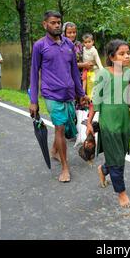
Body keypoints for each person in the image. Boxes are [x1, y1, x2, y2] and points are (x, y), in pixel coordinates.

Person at [30, 11, 89, 183]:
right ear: (45, 25)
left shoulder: (69, 45)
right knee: (60, 128)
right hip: (51, 94)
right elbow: (34, 73)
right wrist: (33, 101)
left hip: (69, 94)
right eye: (53, 22)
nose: (57, 25)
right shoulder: (40, 46)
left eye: (58, 22)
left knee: (68, 129)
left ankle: (55, 151)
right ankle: (65, 168)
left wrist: (81, 94)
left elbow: (74, 72)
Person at [86, 39, 130, 208]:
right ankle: (121, 193)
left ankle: (104, 169)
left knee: (119, 155)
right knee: (117, 160)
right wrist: (89, 122)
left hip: (125, 123)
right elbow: (95, 100)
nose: (127, 56)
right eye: (122, 53)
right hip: (109, 124)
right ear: (112, 57)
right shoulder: (103, 75)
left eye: (128, 53)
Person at [82, 33, 104, 99]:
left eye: (89, 42)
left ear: (93, 42)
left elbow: (97, 60)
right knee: (84, 78)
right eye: (85, 42)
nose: (88, 44)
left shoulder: (94, 50)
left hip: (93, 67)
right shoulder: (83, 49)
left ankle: (96, 94)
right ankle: (83, 92)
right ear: (83, 43)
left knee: (95, 80)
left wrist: (102, 69)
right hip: (85, 68)